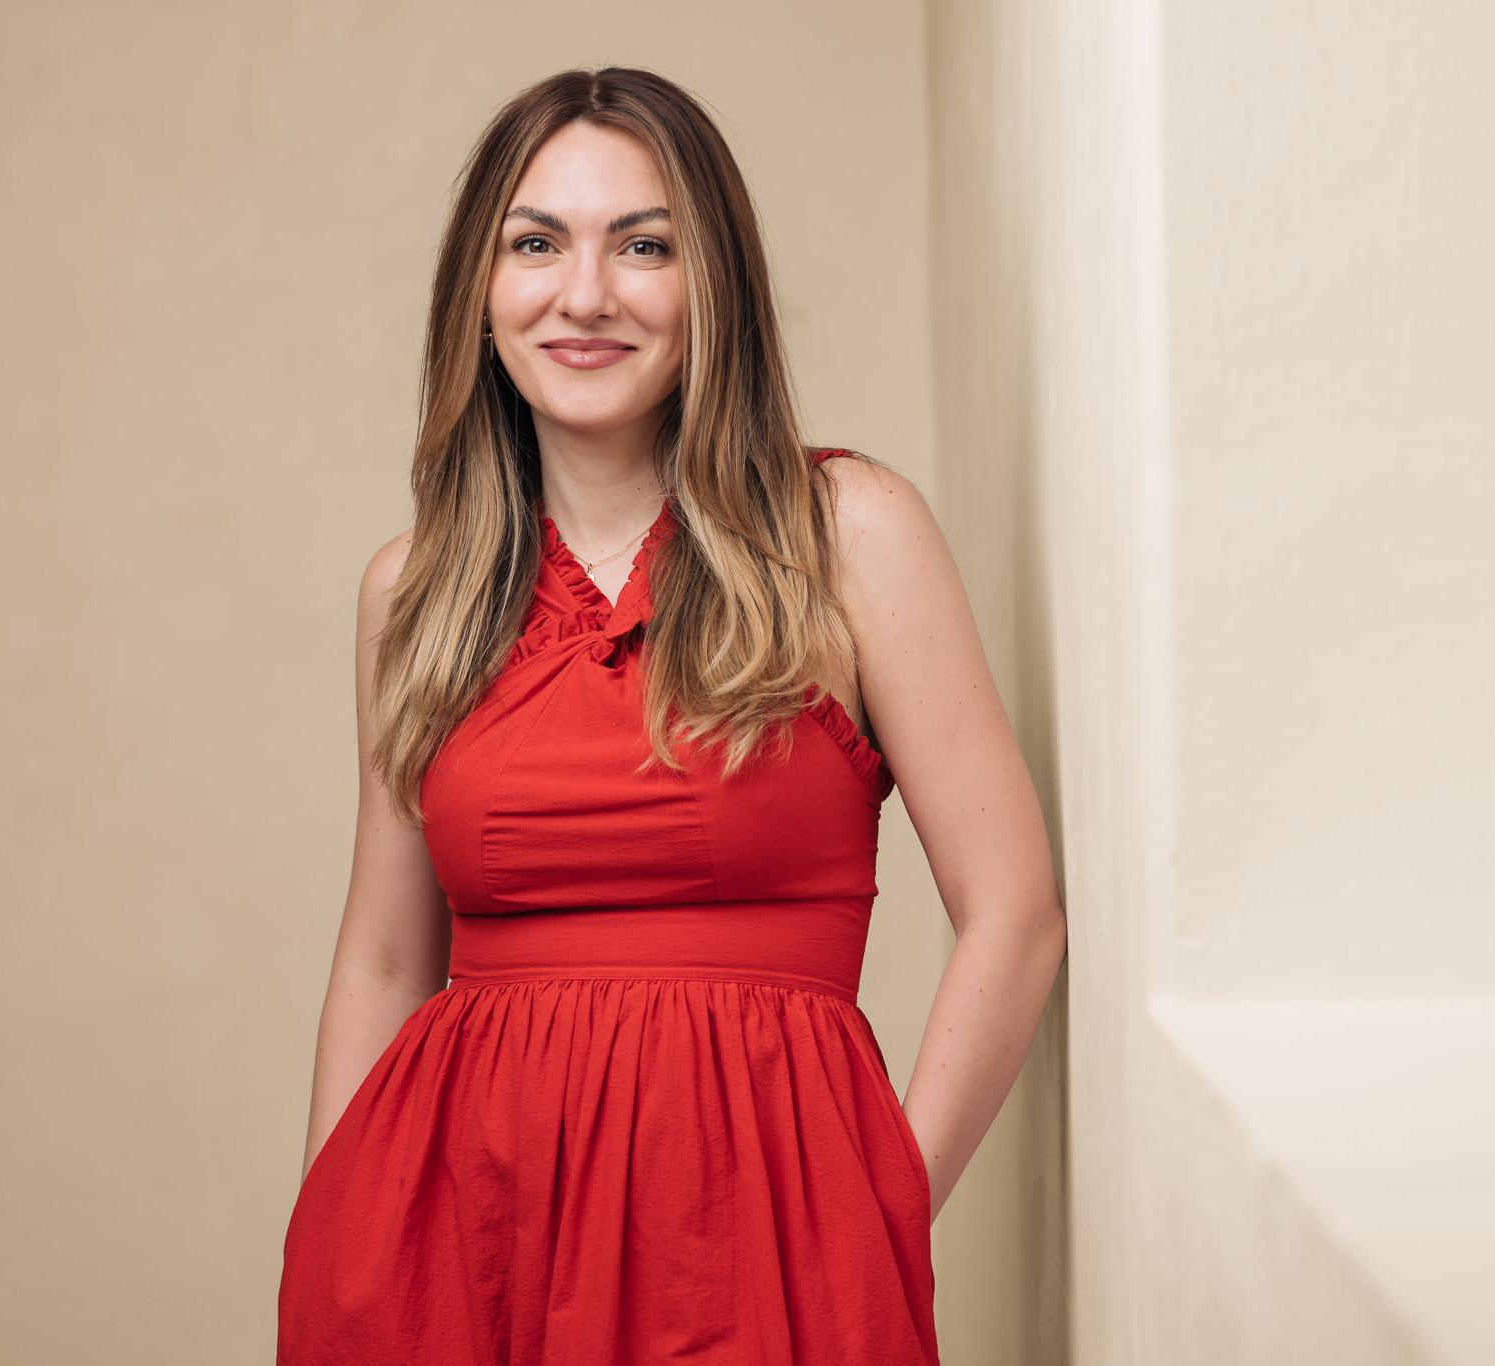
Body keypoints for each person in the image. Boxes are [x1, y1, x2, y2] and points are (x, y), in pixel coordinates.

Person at [278, 65, 1064, 1365]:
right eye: (536, 243)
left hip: (764, 1250)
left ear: (715, 290)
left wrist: (879, 1208)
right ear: (480, 291)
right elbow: (382, 959)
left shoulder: (849, 537)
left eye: (643, 245)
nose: (584, 293)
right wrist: (334, 1248)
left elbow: (1015, 910)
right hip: (460, 1255)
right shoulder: (412, 588)